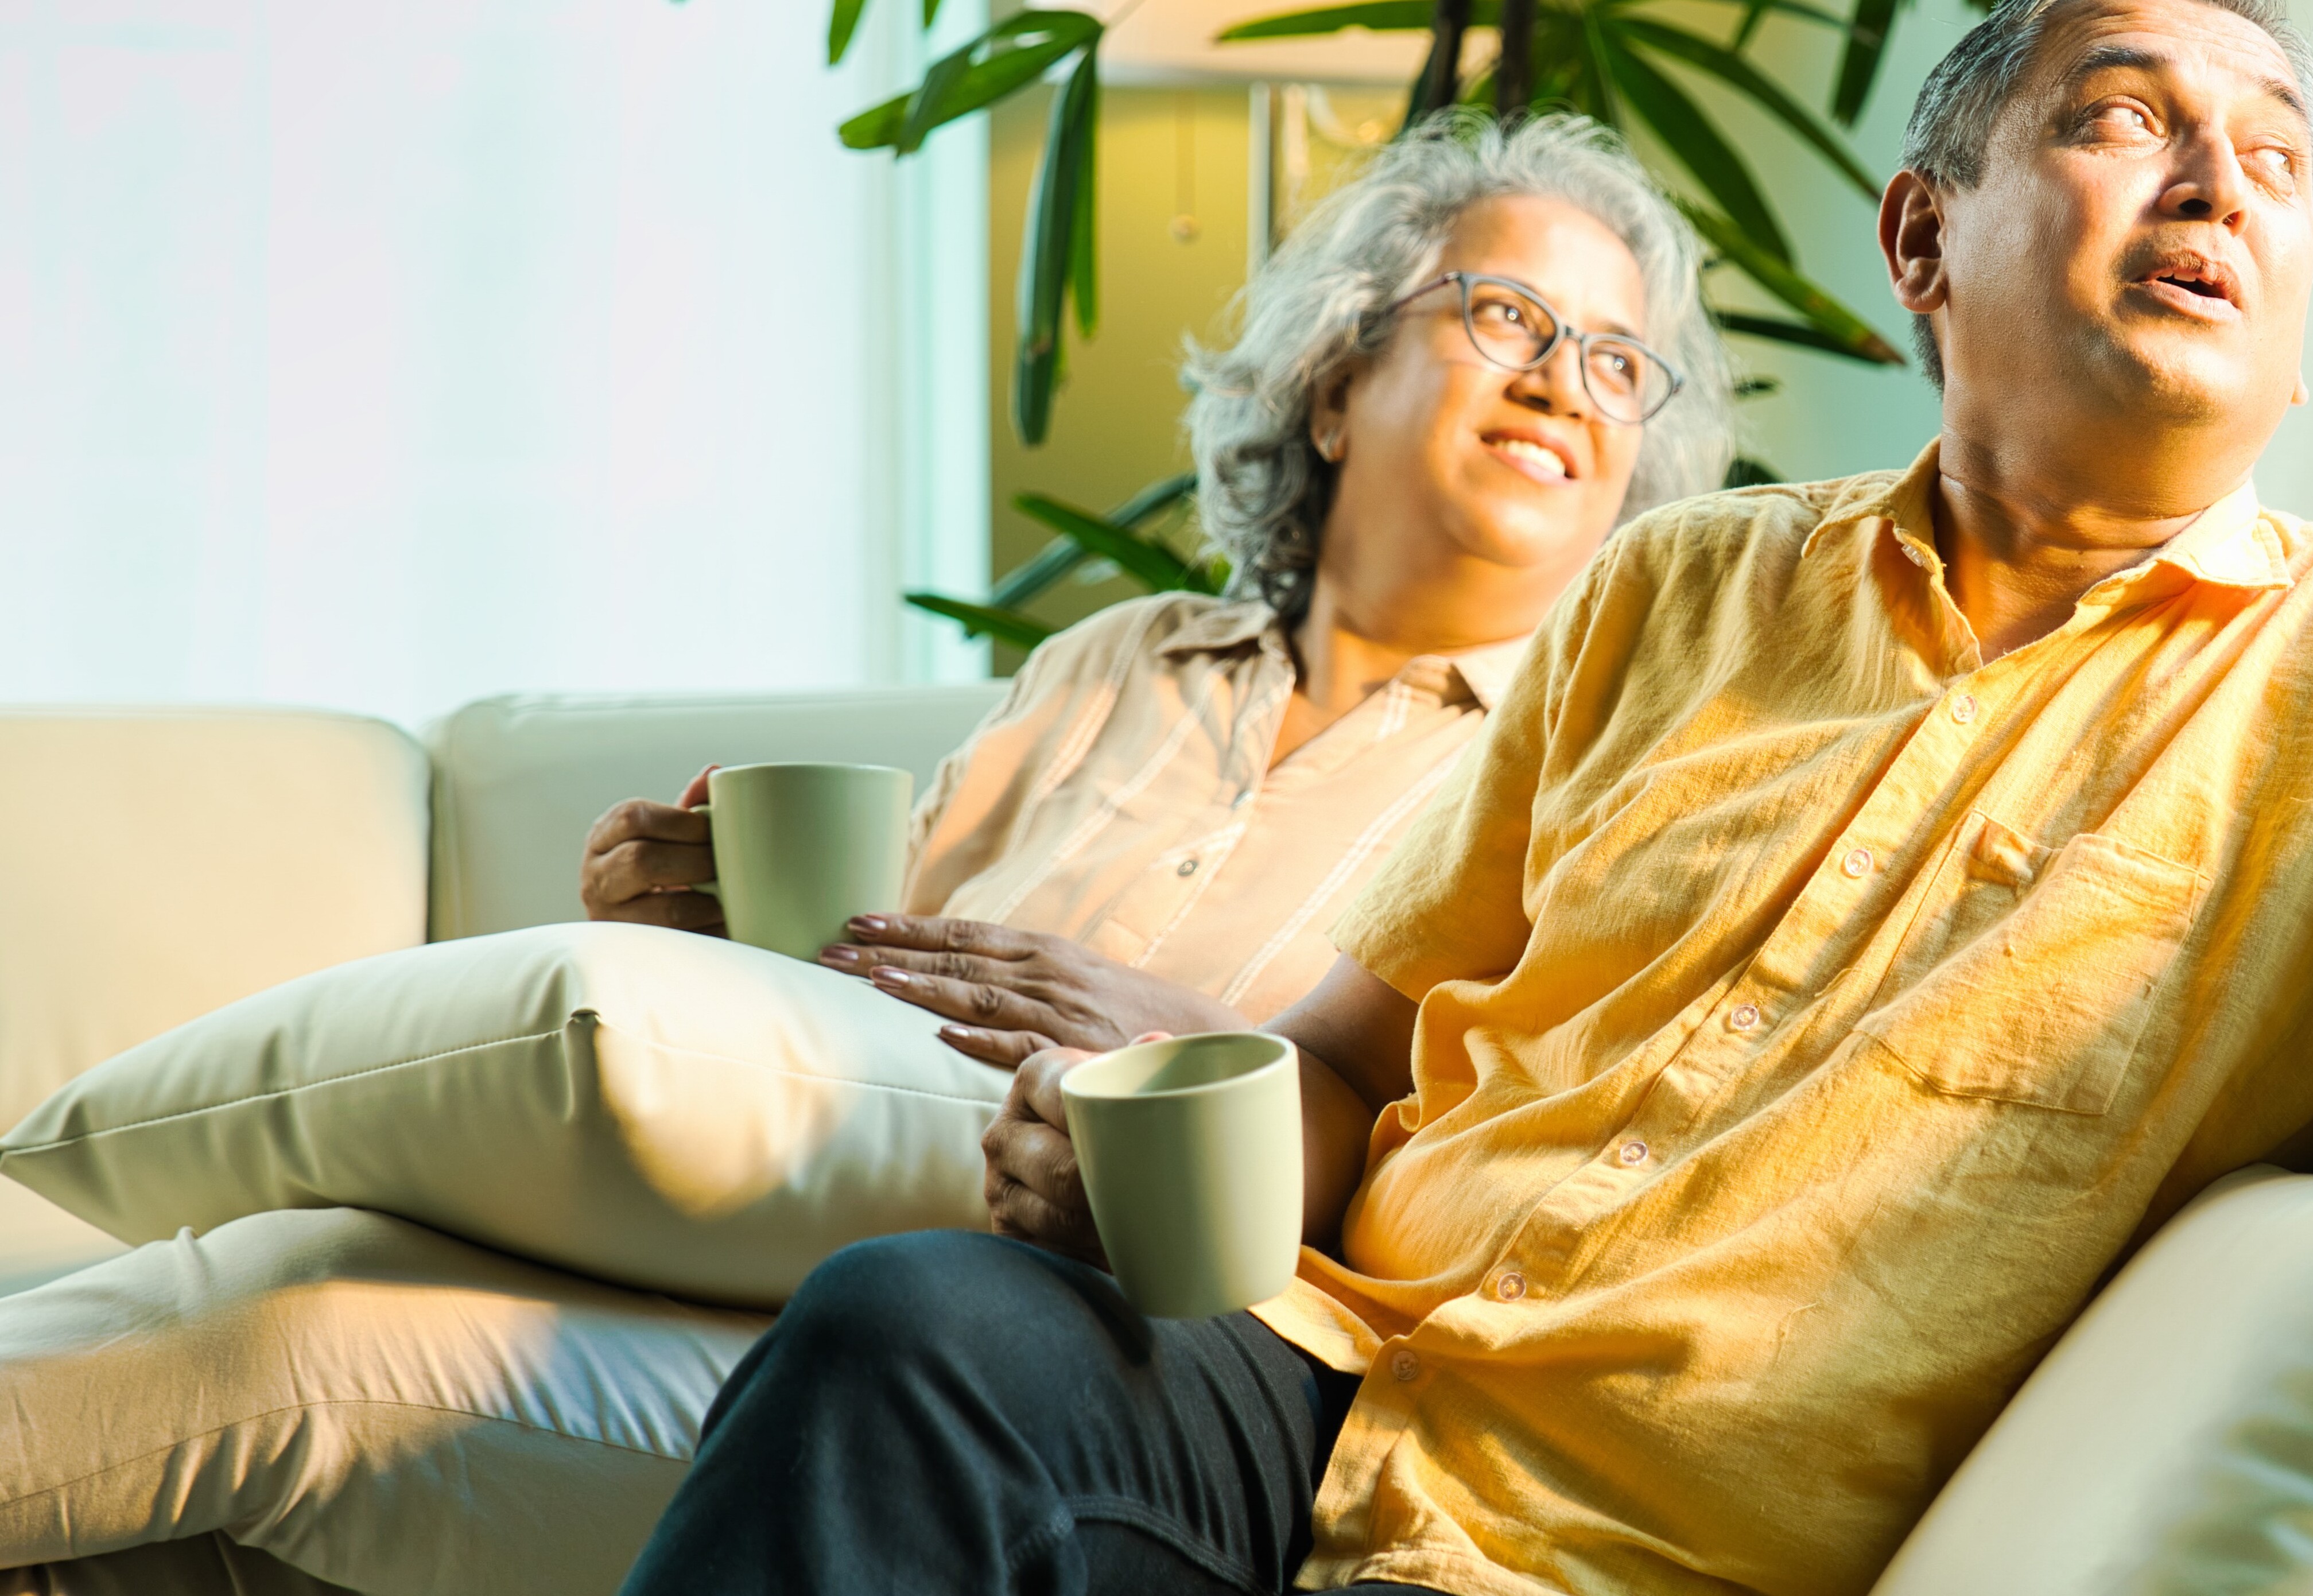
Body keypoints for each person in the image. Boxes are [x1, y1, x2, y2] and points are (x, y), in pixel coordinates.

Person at [621, 4, 2313, 1594]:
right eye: (2126, 118)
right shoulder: (1676, 587)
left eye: (2271, 161)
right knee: (914, 1334)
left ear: (2290, 351)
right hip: (1323, 1405)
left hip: (1652, 1565)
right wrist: (1151, 1134)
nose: (2214, 180)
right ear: (1920, 241)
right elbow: (1355, 1046)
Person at [0, 112, 1728, 1593]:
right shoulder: (1114, 666)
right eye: (1504, 312)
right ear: (1339, 383)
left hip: (1061, 1355)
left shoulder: (1585, 766)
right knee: (238, 1300)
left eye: (1613, 359)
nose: (1561, 379)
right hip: (801, 1258)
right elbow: (854, 994)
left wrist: (1173, 1075)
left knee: (283, 1348)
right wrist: (699, 935)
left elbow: (1526, 1164)